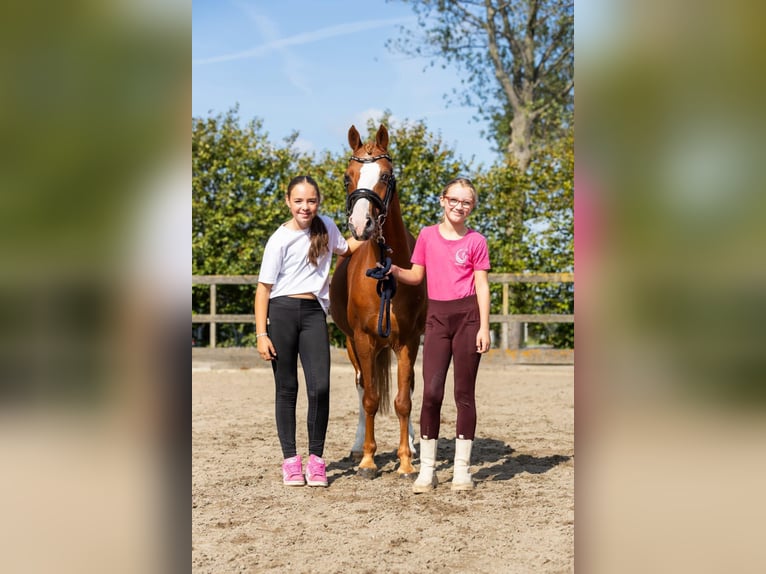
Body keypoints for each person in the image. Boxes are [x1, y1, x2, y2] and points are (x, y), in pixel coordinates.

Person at [254, 175, 360, 487]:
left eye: (311, 200)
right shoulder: (279, 239)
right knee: (287, 389)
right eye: (299, 201)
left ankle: (316, 461)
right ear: (288, 202)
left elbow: (346, 249)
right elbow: (263, 289)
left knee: (320, 387)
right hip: (282, 312)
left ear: (319, 202)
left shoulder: (326, 226)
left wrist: (371, 234)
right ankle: (291, 461)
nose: (305, 206)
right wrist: (262, 333)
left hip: (314, 313)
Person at [388, 177, 491, 492]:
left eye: (466, 202)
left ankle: (462, 470)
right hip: (436, 318)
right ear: (443, 200)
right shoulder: (427, 236)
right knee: (431, 393)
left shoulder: (477, 241)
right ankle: (428, 469)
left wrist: (484, 326)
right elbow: (416, 274)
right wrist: (391, 270)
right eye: (455, 200)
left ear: (471, 207)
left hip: (468, 317)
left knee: (464, 394)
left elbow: (482, 285)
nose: (460, 206)